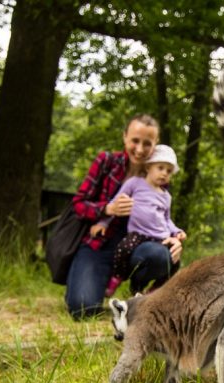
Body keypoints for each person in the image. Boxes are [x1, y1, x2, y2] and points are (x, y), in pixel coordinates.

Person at [65, 114, 183, 320]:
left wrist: (173, 237)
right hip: (100, 244)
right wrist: (107, 210)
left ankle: (137, 293)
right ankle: (94, 284)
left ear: (155, 144)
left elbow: (162, 217)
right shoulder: (106, 162)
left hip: (138, 245)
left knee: (160, 256)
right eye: (135, 141)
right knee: (82, 308)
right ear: (125, 138)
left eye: (147, 143)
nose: (139, 149)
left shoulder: (160, 178)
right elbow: (78, 204)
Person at [91, 144, 187, 297]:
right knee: (123, 249)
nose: (164, 174)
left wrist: (177, 231)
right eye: (160, 168)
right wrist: (103, 223)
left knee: (175, 263)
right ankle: (117, 277)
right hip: (138, 235)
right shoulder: (135, 183)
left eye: (169, 171)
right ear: (149, 167)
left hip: (161, 238)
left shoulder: (166, 196)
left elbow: (167, 220)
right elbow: (116, 202)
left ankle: (154, 291)